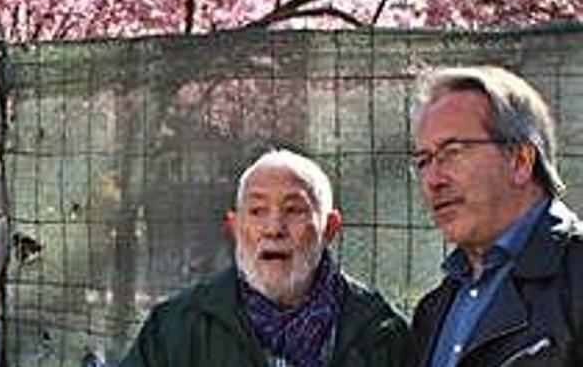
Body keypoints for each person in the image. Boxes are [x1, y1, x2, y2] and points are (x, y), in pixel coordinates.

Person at [119, 149, 410, 367]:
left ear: (330, 228)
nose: (273, 229)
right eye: (257, 211)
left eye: (294, 210)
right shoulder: (177, 328)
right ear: (234, 227)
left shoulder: (379, 334)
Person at [409, 66, 583, 367]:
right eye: (424, 161)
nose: (433, 179)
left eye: (452, 151)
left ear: (520, 161)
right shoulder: (433, 310)